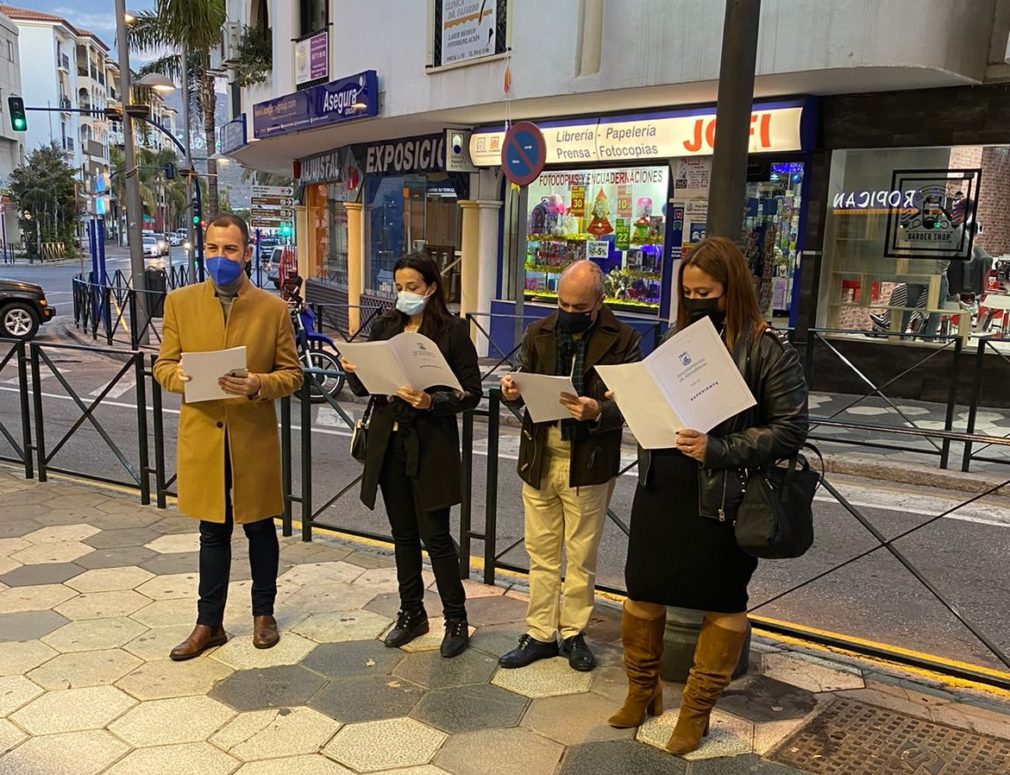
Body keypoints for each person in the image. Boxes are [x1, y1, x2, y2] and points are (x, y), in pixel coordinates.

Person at [607, 237, 808, 755]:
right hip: (662, 489)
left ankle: (696, 713)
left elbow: (790, 429)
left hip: (722, 497)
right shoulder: (678, 337)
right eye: (689, 292)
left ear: (732, 288)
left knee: (722, 602)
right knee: (642, 591)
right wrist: (626, 398)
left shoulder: (767, 347)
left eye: (707, 292)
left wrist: (720, 447)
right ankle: (643, 690)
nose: (696, 300)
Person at [153, 214, 303, 660]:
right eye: (214, 249)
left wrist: (259, 384)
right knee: (212, 532)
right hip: (204, 436)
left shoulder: (272, 309)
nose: (221, 258)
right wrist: (180, 376)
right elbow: (162, 366)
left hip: (251, 436)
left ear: (247, 253)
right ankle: (209, 624)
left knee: (260, 527)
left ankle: (263, 615)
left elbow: (292, 374)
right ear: (204, 250)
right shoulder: (180, 302)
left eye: (231, 250)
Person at [499, 260, 641, 672]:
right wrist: (511, 388)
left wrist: (599, 410)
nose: (569, 312)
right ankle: (540, 633)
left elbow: (632, 401)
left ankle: (573, 633)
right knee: (541, 552)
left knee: (581, 554)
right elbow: (522, 383)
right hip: (541, 453)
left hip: (590, 460)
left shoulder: (624, 338)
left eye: (579, 307)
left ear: (599, 301)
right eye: (562, 303)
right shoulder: (539, 331)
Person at [340, 253, 481, 659]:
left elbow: (470, 393)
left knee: (435, 535)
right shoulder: (385, 325)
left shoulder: (453, 332)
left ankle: (456, 619)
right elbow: (365, 387)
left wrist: (430, 401)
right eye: (399, 287)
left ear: (432, 287)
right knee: (402, 534)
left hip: (431, 444)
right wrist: (353, 369)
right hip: (389, 442)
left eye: (413, 287)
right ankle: (411, 612)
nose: (404, 295)